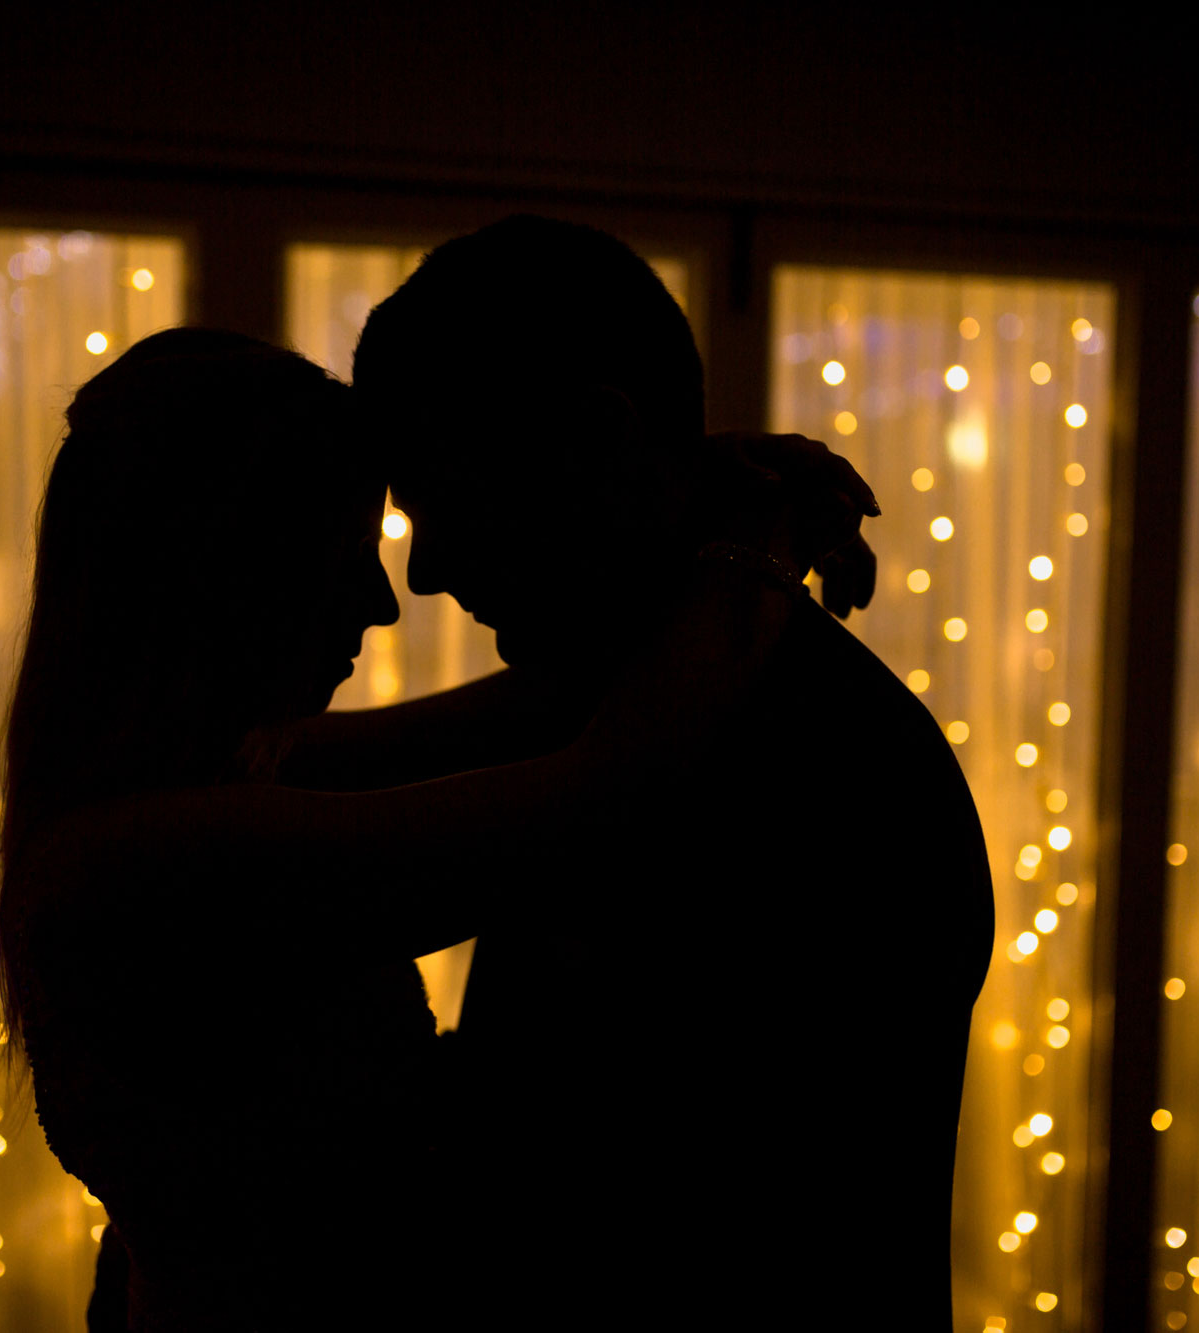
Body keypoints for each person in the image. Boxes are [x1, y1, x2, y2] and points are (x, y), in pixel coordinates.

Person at [0, 324, 873, 1331]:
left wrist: (651, 488)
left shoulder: (216, 790)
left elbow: (549, 702)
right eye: (340, 554)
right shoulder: (147, 861)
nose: (379, 602)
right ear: (227, 570)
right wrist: (747, 543)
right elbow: (596, 795)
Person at [280, 215, 998, 1328]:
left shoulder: (802, 763)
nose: (422, 574)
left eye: (442, 501)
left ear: (596, 442)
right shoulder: (639, 716)